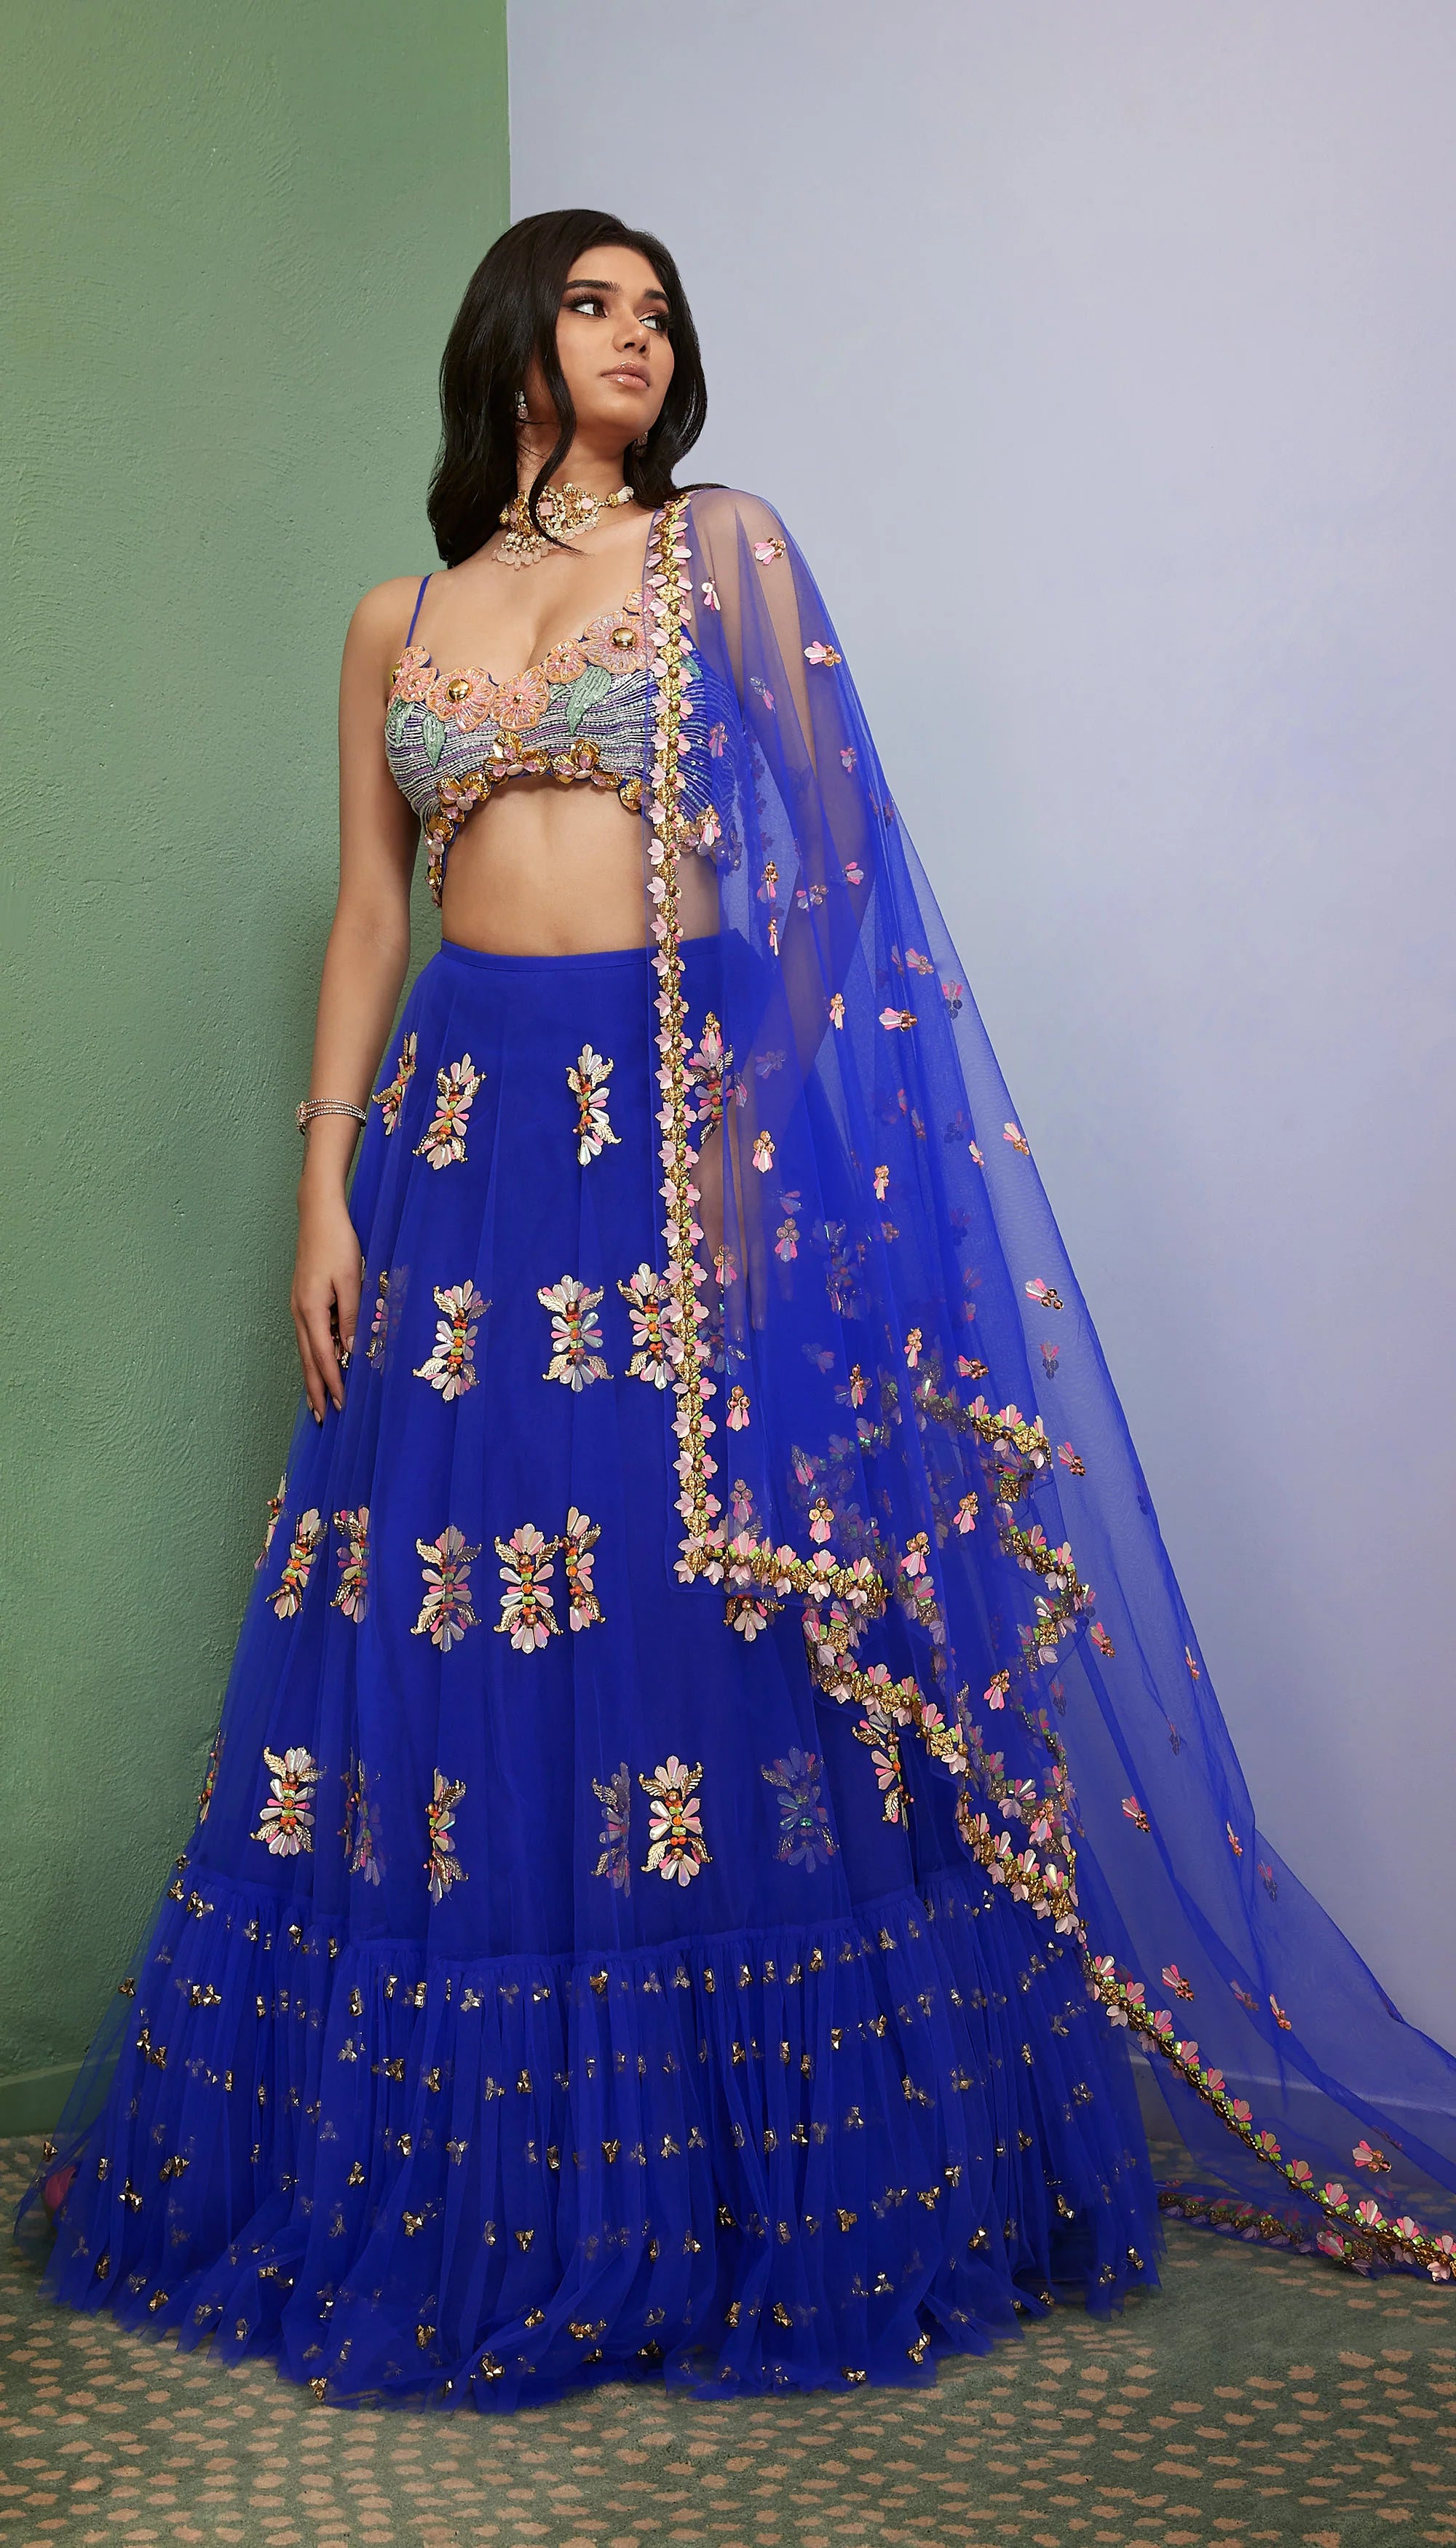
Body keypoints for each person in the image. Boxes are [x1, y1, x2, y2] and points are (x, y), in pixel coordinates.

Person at [18, 209, 1456, 2410]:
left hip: (665, 1132)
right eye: (596, 301)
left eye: (661, 311)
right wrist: (321, 1182)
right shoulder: (400, 617)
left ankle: (735, 2189)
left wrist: (756, 1144)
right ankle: (490, 2180)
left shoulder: (724, 553)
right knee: (471, 1628)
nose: (639, 334)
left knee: (699, 1611)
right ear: (512, 335)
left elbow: (837, 870)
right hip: (457, 1161)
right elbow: (373, 915)